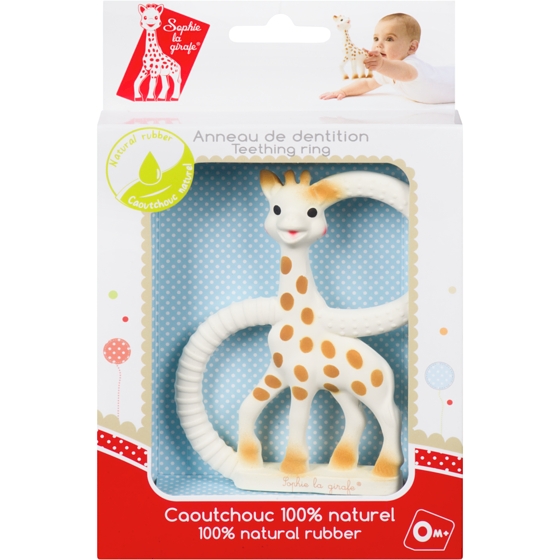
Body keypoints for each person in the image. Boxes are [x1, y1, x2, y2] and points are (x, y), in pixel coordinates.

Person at [320, 13, 454, 104]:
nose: (379, 44)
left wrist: (381, 64)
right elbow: (367, 83)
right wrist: (343, 91)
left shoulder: (413, 67)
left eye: (389, 39)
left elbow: (404, 72)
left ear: (412, 47)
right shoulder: (387, 71)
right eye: (376, 38)